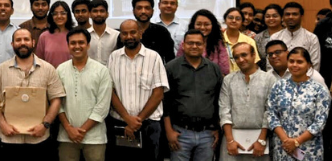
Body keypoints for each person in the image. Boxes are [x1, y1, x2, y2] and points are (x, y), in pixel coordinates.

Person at [0, 27, 66, 161]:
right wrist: (2, 124)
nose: (22, 43)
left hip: (39, 137)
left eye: (26, 39)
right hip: (9, 138)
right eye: (18, 40)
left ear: (33, 42)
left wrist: (45, 125)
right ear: (12, 44)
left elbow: (56, 99)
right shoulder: (1, 70)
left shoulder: (48, 69)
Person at [106, 20, 169, 161]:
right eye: (125, 33)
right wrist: (128, 119)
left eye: (133, 32)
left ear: (140, 33)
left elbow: (158, 94)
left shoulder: (154, 57)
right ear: (120, 36)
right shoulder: (113, 58)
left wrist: (137, 120)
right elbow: (110, 91)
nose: (129, 36)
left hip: (149, 126)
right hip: (120, 124)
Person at [164, 30, 223, 161]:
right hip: (180, 133)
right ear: (183, 45)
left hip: (207, 134)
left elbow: (219, 101)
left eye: (198, 43)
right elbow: (165, 102)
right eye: (190, 43)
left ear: (204, 45)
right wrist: (169, 132)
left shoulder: (214, 69)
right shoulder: (171, 68)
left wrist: (217, 128)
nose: (194, 46)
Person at [56, 29, 112, 161]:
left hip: (95, 138)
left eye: (81, 42)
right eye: (73, 43)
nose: (77, 46)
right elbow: (56, 103)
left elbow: (102, 107)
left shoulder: (102, 70)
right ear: (68, 46)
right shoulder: (60, 70)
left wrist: (81, 131)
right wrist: (69, 129)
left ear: (88, 45)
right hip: (66, 137)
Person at [266, 47, 330, 161]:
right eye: (291, 61)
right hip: (283, 147)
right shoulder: (279, 86)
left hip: (309, 149)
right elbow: (271, 115)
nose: (294, 65)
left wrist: (296, 142)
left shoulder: (319, 89)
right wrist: (286, 140)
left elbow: (320, 122)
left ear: (309, 65)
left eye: (299, 62)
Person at [219, 42, 276, 161]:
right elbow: (224, 110)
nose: (240, 59)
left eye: (244, 55)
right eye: (236, 57)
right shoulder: (229, 80)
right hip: (232, 140)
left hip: (260, 142)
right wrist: (230, 140)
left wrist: (261, 140)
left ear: (253, 55)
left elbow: (270, 111)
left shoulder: (269, 79)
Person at [177, 10, 230, 75]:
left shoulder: (218, 43)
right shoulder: (185, 42)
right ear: (193, 25)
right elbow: (178, 64)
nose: (202, 27)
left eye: (206, 24)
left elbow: (225, 69)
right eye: (198, 24)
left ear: (213, 25)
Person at [272, 2, 321, 71]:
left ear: (301, 16)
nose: (290, 17)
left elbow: (315, 65)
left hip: (305, 79)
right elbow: (270, 64)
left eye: (294, 14)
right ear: (283, 17)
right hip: (278, 79)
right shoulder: (275, 37)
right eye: (287, 14)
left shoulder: (311, 38)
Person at [35, 0, 74, 67]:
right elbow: (39, 61)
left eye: (63, 13)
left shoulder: (75, 35)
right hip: (49, 75)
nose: (59, 16)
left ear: (68, 15)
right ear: (51, 16)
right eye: (55, 14)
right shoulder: (44, 36)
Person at [222, 7, 260, 73]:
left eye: (238, 19)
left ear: (242, 22)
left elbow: (254, 63)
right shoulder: (218, 40)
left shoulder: (249, 41)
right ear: (225, 20)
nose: (234, 21)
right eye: (230, 18)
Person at [86, 0, 118, 66]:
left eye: (102, 11)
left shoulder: (116, 35)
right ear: (89, 14)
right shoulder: (84, 35)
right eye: (95, 11)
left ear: (107, 14)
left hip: (110, 74)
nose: (98, 14)